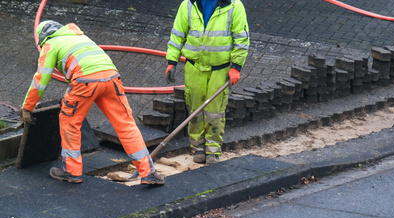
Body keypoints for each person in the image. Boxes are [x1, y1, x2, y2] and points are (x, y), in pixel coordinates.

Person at [20, 20, 164, 185]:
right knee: (125, 124)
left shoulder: (50, 44)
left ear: (42, 38)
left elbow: (40, 81)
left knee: (69, 121)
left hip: (85, 81)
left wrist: (27, 107)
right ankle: (149, 173)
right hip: (111, 78)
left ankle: (71, 171)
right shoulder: (79, 37)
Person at [166, 0, 250, 164]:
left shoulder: (233, 6)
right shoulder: (189, 5)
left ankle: (213, 150)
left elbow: (241, 38)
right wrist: (171, 61)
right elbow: (177, 35)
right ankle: (198, 147)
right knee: (195, 108)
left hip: (220, 69)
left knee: (215, 110)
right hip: (194, 67)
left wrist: (236, 67)